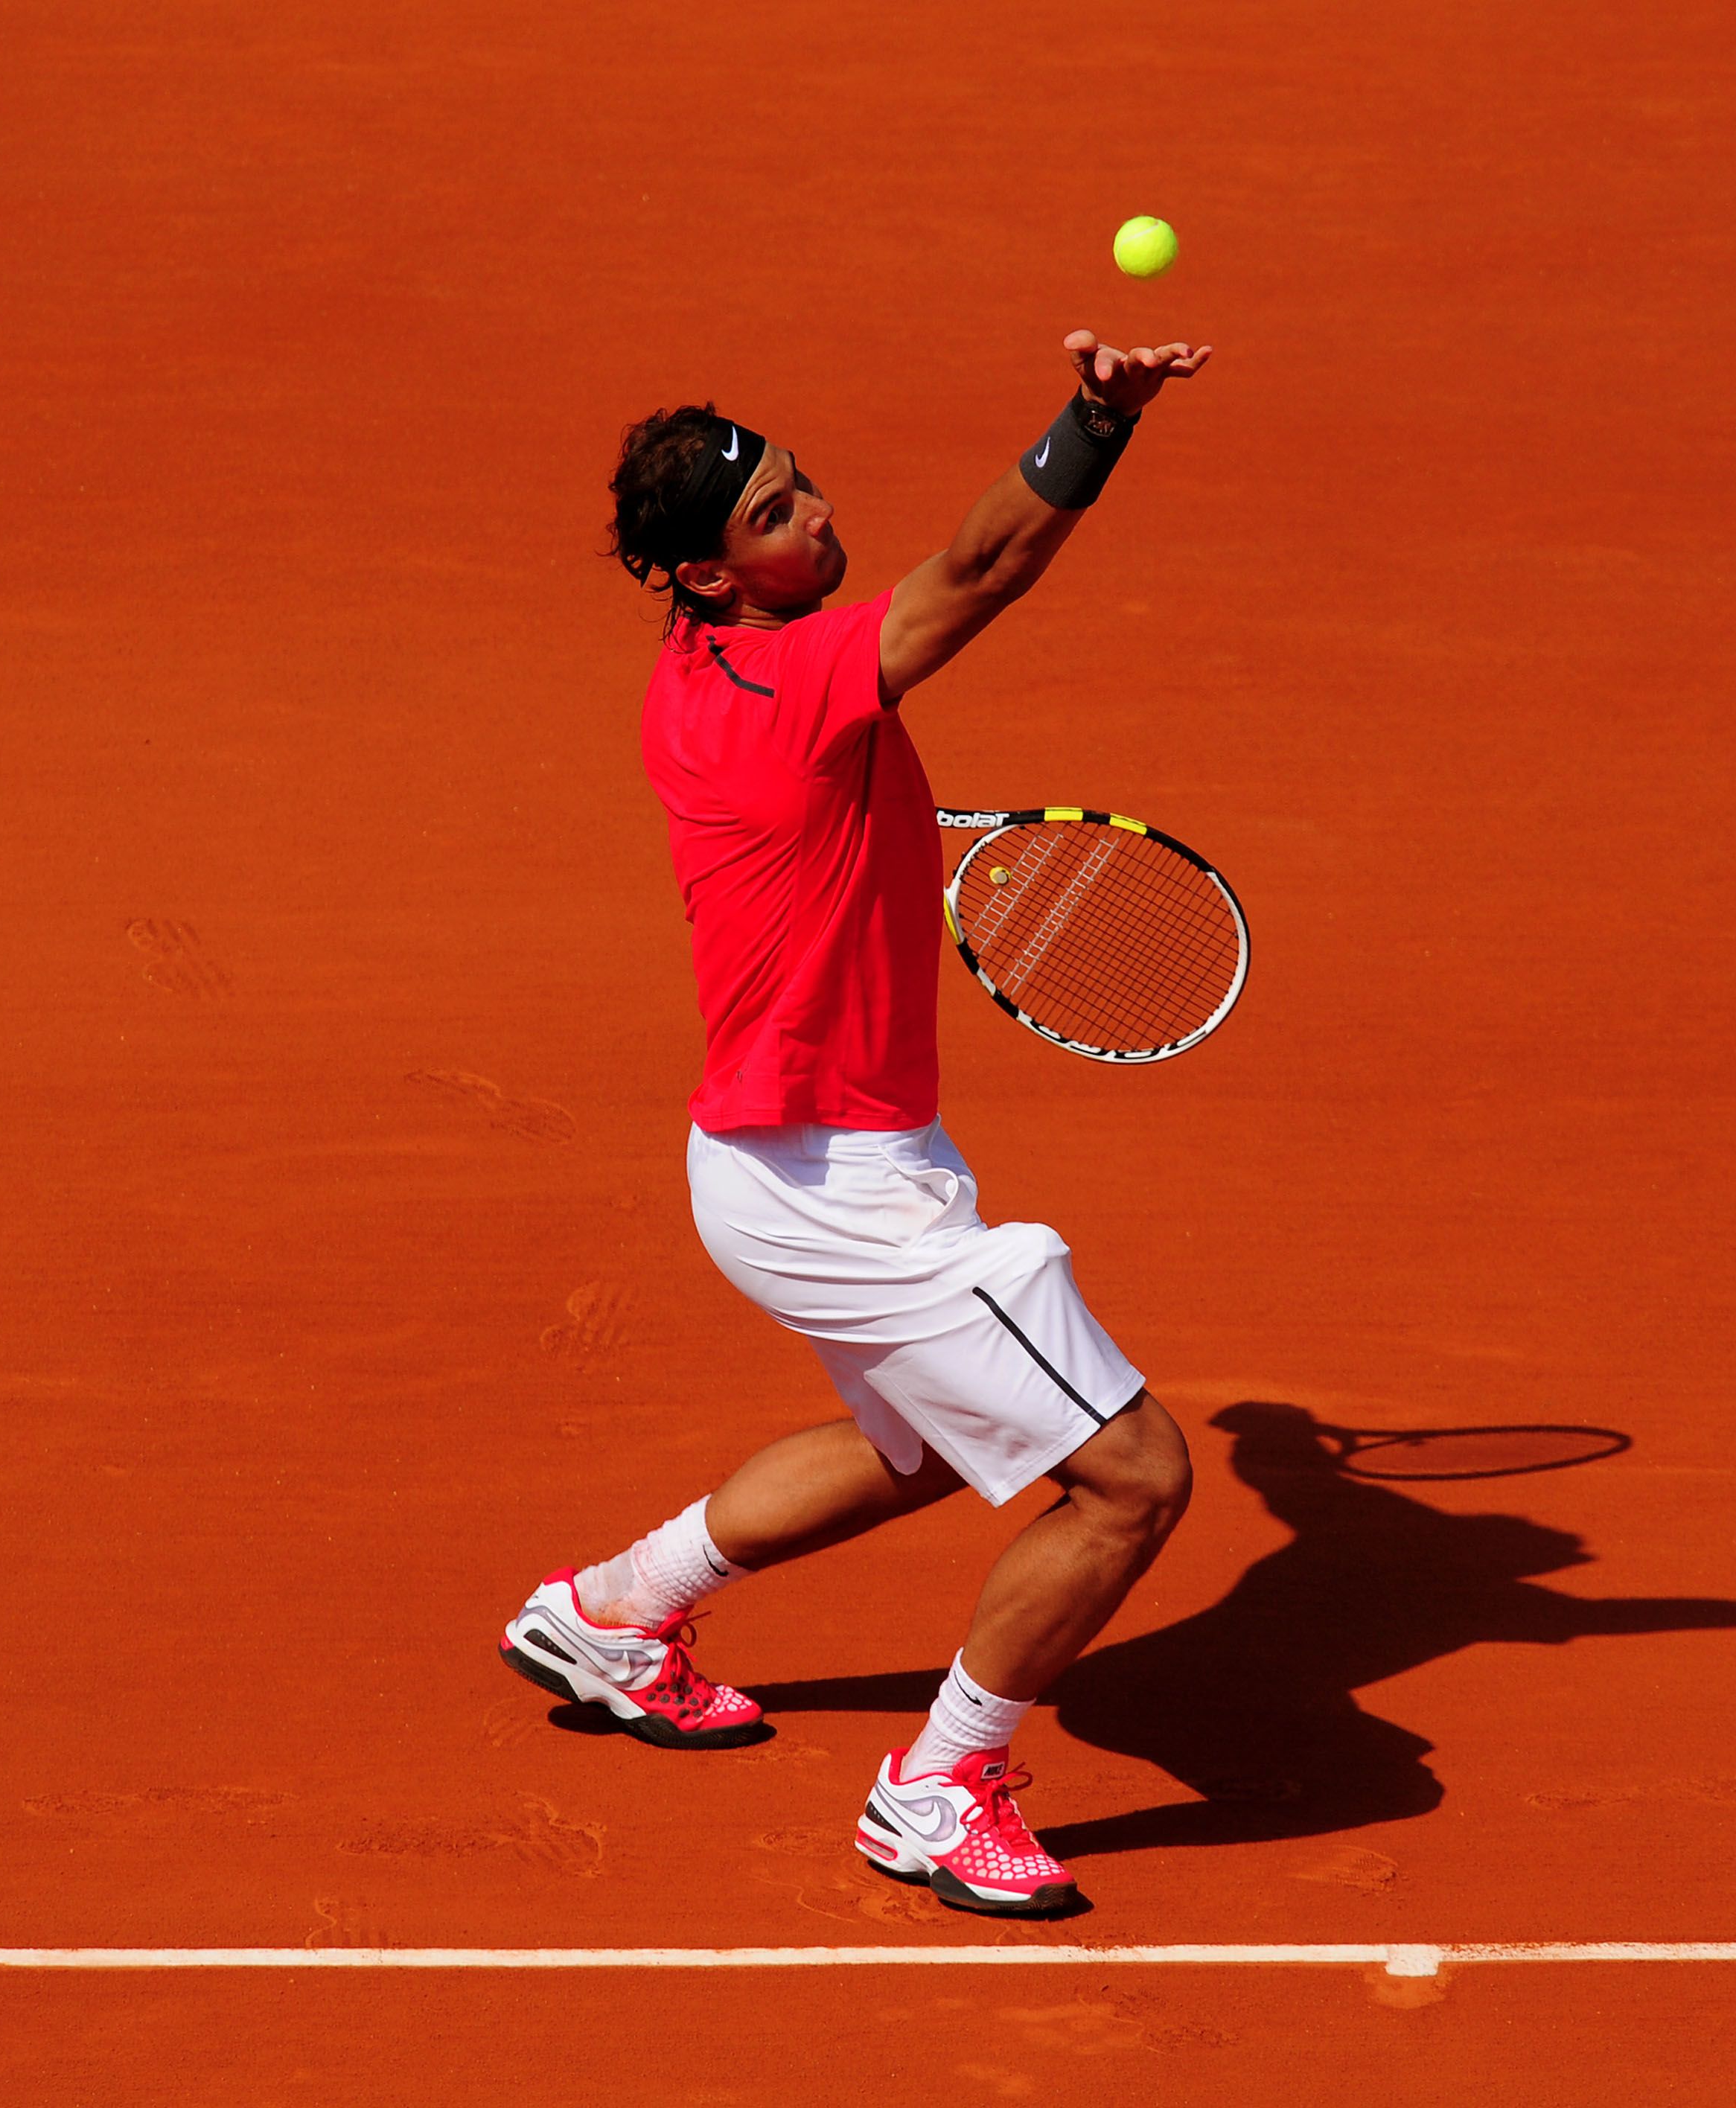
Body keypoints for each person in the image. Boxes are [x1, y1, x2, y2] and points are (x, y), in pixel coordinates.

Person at [500, 329, 1215, 1918]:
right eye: (774, 515)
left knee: (917, 1448)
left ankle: (616, 1612)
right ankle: (939, 1783)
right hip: (830, 1182)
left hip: (787, 1161)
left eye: (804, 486)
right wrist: (1097, 419)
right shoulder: (791, 684)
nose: (816, 520)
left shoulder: (709, 680)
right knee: (1132, 1480)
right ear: (702, 572)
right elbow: (985, 564)